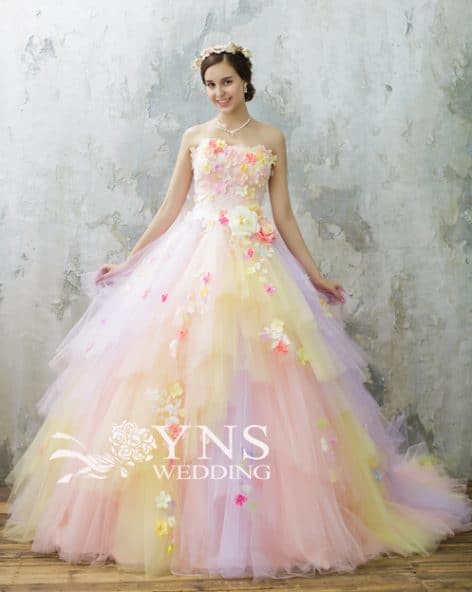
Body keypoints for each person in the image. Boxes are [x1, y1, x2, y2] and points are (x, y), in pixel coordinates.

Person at [2, 41, 471, 582]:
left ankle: (264, 520)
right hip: (193, 264)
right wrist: (131, 262)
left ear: (245, 81)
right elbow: (170, 207)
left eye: (226, 81)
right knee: (179, 379)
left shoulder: (271, 139)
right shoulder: (193, 137)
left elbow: (284, 215)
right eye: (210, 85)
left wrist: (315, 275)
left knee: (263, 382)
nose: (218, 92)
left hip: (256, 268)